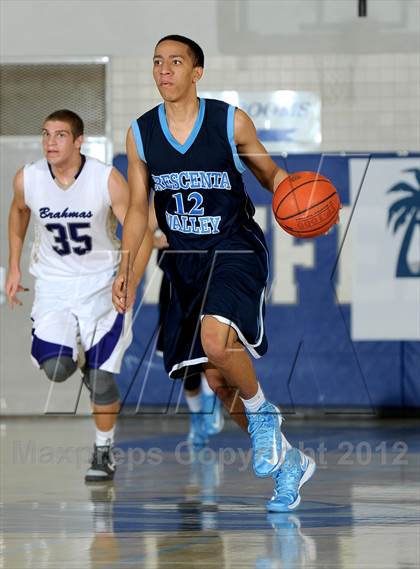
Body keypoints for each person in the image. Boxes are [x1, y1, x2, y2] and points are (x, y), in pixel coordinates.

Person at [112, 35, 316, 511]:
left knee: (214, 341)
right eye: (157, 61)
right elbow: (139, 210)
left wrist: (296, 196)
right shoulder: (141, 133)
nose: (164, 70)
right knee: (221, 384)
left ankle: (265, 417)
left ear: (197, 72)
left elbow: (268, 174)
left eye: (175, 61)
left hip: (235, 248)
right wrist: (126, 267)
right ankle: (290, 464)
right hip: (186, 263)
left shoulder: (229, 121)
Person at [6, 109, 152, 483]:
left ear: (78, 140)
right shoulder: (29, 178)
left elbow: (139, 230)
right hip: (54, 286)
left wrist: (128, 276)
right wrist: (15, 265)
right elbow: (18, 211)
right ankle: (85, 364)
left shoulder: (105, 179)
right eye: (45, 134)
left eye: (59, 135)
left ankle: (103, 450)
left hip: (101, 285)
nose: (50, 143)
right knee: (57, 370)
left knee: (102, 378)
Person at [149, 201, 224, 446]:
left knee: (212, 345)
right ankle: (197, 417)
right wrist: (153, 236)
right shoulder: (163, 180)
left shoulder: (213, 178)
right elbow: (143, 221)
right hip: (175, 281)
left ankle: (211, 399)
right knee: (184, 360)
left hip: (210, 274)